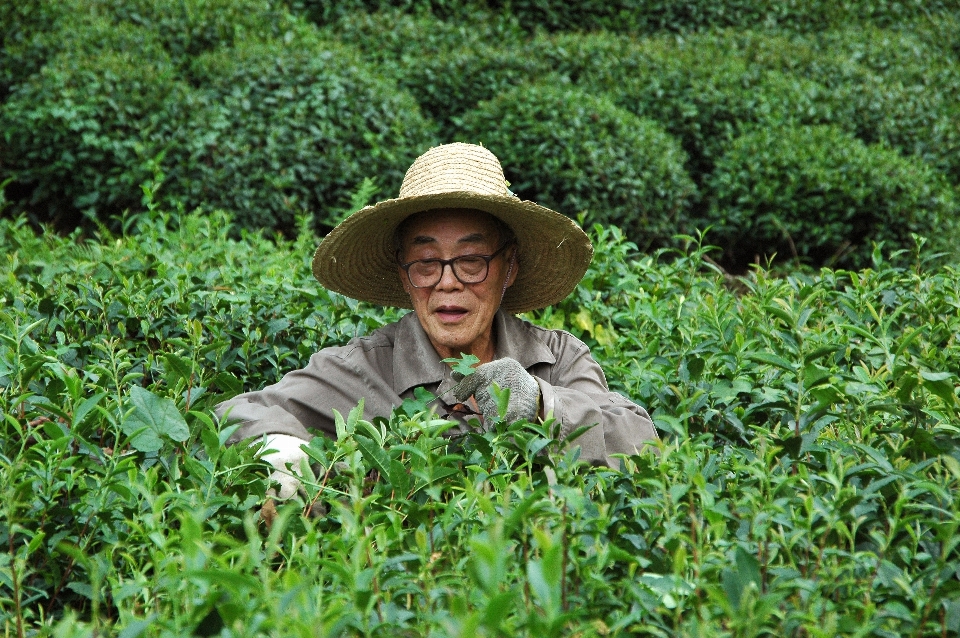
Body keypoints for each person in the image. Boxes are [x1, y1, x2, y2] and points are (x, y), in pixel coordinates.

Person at [217, 143, 659, 498]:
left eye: (471, 260)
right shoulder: (364, 368)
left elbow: (641, 444)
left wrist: (542, 406)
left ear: (510, 268)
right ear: (403, 275)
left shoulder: (555, 358)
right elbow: (239, 411)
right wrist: (279, 448)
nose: (447, 283)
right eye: (426, 262)